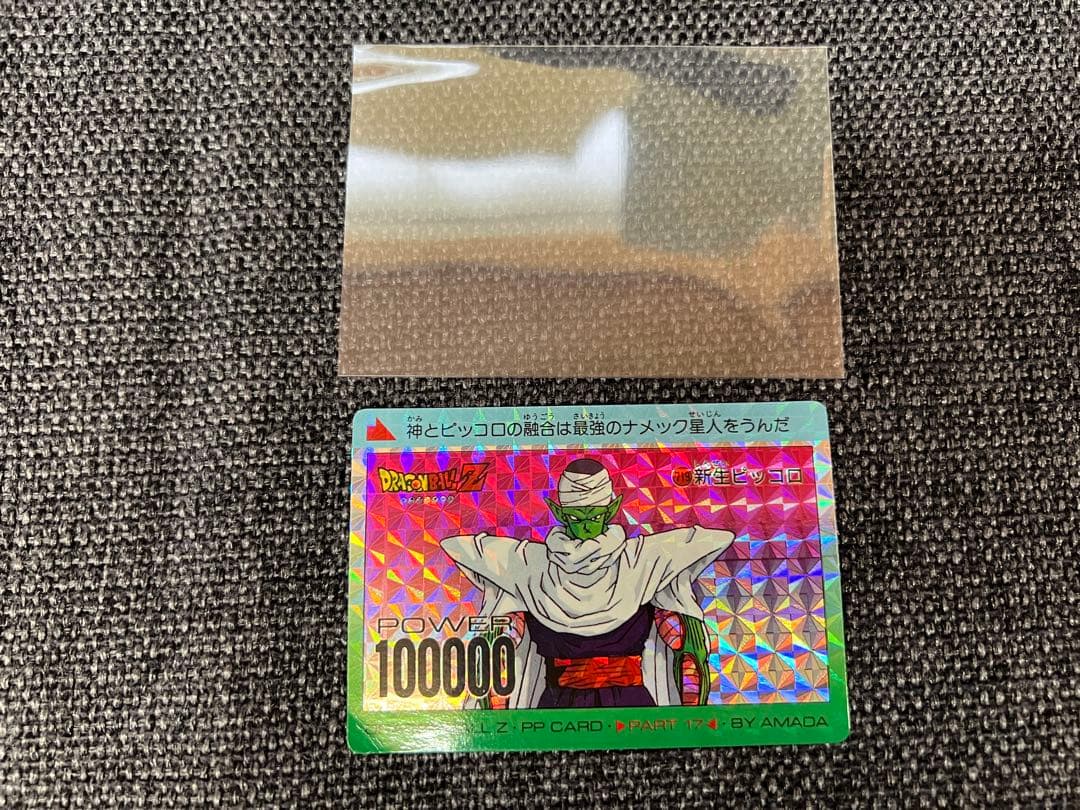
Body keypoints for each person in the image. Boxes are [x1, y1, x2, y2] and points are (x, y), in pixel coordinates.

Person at [440, 458, 734, 708]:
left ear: (611, 509)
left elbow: (716, 539)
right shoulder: (534, 564)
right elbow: (458, 546)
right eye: (575, 516)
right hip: (560, 701)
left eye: (595, 515)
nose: (585, 525)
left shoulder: (638, 559)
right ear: (559, 513)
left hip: (626, 701)